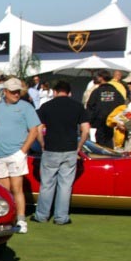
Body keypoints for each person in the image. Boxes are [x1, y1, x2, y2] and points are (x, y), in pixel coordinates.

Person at [30, 80, 89, 226]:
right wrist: (79, 146)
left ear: (55, 92)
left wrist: (42, 143)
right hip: (69, 149)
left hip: (51, 148)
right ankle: (61, 217)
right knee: (65, 185)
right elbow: (86, 130)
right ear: (69, 93)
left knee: (47, 184)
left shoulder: (46, 106)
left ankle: (42, 215)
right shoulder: (78, 106)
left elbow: (37, 128)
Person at [0, 78, 41, 234]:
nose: (16, 94)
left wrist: (23, 151)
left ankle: (21, 220)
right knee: (3, 190)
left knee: (17, 188)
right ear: (5, 92)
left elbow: (34, 130)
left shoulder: (26, 107)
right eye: (13, 92)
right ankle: (6, 218)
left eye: (18, 91)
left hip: (16, 153)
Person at [86, 69, 124, 148]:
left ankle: (102, 158)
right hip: (112, 122)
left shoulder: (97, 92)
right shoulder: (115, 91)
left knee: (100, 144)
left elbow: (90, 106)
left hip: (99, 121)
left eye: (98, 76)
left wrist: (89, 121)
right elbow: (121, 104)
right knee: (109, 142)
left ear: (101, 78)